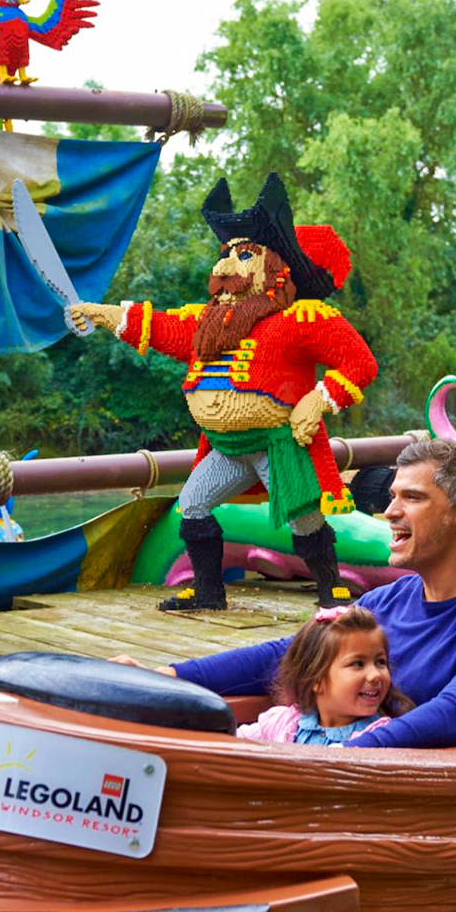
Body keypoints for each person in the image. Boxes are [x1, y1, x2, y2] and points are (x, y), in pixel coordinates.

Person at [69, 172, 377, 611]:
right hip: (227, 447)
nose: (224, 267)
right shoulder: (207, 322)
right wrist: (101, 313)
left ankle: (332, 590)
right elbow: (160, 327)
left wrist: (318, 399)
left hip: (277, 445)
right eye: (225, 254)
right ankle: (209, 592)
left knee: (304, 516)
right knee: (193, 503)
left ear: (275, 268)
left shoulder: (302, 318)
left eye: (244, 254)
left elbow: (360, 363)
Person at [116, 438, 456, 748]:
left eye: (412, 498)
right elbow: (289, 654)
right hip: (344, 780)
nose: (390, 512)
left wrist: (340, 757)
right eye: (392, 496)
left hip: (427, 807)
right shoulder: (388, 600)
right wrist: (166, 677)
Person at [235, 605, 413, 745]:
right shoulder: (284, 722)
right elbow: (232, 743)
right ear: (315, 678)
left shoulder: (380, 737)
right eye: (358, 664)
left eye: (380, 662)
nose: (375, 675)